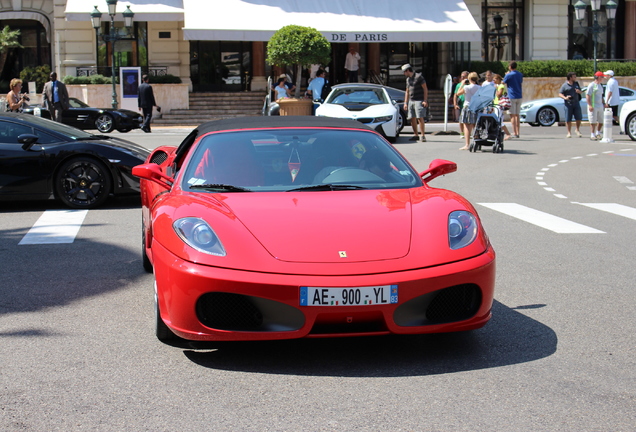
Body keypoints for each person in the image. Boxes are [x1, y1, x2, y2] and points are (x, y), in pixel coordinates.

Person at [401, 64, 429, 142]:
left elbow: (425, 89)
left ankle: (423, 135)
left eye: (404, 72)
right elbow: (407, 91)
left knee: (420, 117)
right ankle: (415, 134)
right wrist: (405, 102)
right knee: (412, 118)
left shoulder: (419, 77)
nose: (404, 74)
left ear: (407, 70)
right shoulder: (408, 79)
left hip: (419, 100)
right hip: (411, 100)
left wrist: (425, 100)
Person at [456, 72, 480, 150]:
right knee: (475, 126)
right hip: (476, 107)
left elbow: (458, 93)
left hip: (467, 106)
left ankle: (467, 144)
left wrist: (462, 84)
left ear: (469, 79)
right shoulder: (479, 87)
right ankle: (477, 142)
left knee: (466, 125)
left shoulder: (467, 87)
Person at [558, 72, 583, 138]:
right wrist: (565, 97)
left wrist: (579, 92)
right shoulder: (565, 85)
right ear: (570, 77)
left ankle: (577, 129)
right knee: (568, 119)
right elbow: (560, 93)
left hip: (576, 103)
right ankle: (569, 132)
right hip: (568, 104)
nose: (575, 78)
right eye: (574, 77)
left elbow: (581, 91)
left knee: (579, 118)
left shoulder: (576, 84)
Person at [503, 61, 523, 138]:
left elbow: (503, 82)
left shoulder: (509, 75)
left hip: (511, 96)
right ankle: (518, 132)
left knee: (512, 115)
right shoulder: (520, 74)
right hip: (519, 95)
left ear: (510, 67)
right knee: (517, 115)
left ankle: (514, 132)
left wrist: (506, 75)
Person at [586, 71, 605, 140]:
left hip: (600, 105)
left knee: (601, 120)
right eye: (602, 77)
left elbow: (601, 96)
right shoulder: (592, 85)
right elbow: (588, 95)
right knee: (593, 121)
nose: (603, 78)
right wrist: (590, 105)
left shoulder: (600, 85)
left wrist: (604, 103)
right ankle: (592, 134)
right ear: (598, 77)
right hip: (593, 105)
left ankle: (598, 133)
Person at [493, 74, 512, 140]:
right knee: (498, 120)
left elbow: (499, 95)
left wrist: (496, 89)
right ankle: (499, 133)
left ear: (498, 79)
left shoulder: (501, 86)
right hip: (496, 104)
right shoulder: (499, 86)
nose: (493, 80)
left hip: (499, 105)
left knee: (499, 121)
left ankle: (508, 134)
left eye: (494, 79)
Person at [453, 71, 469, 138]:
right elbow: (455, 95)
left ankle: (468, 133)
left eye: (464, 76)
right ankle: (462, 132)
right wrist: (455, 104)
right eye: (461, 76)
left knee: (468, 120)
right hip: (461, 104)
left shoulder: (469, 84)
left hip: (468, 104)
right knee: (461, 119)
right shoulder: (459, 85)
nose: (462, 78)